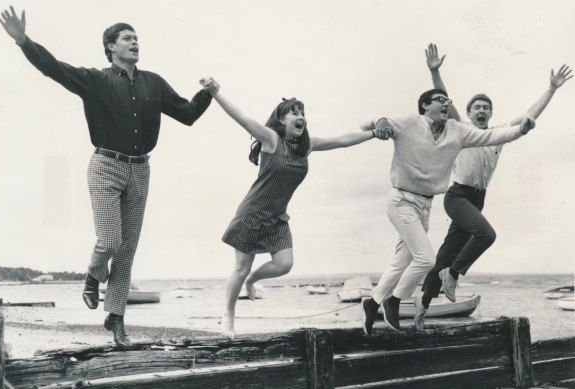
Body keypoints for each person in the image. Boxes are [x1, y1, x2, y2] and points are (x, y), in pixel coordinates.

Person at [0, 7, 213, 347]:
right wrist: (23, 41)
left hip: (141, 169)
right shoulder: (96, 80)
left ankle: (116, 319)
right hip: (105, 167)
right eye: (128, 38)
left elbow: (187, 114)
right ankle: (92, 276)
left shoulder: (153, 83)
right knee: (110, 241)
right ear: (110, 46)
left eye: (137, 39)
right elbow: (54, 69)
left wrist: (209, 93)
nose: (135, 43)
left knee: (127, 251)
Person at [199, 77, 388, 339]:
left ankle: (253, 280)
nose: (301, 117)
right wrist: (216, 92)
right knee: (240, 268)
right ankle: (228, 316)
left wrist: (373, 134)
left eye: (303, 113)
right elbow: (242, 118)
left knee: (284, 265)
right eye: (294, 112)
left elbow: (342, 140)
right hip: (252, 214)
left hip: (277, 218)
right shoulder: (271, 139)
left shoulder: (306, 147)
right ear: (282, 120)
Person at [413, 44, 572, 330]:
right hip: (457, 195)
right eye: (477, 108)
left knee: (445, 256)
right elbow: (446, 103)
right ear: (470, 114)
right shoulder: (461, 130)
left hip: (476, 200)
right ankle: (452, 276)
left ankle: (422, 309)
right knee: (486, 235)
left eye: (486, 108)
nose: (482, 111)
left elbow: (528, 116)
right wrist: (435, 71)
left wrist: (551, 89)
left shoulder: (498, 136)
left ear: (490, 114)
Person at [359, 83, 536, 333]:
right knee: (427, 259)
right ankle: (395, 299)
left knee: (404, 260)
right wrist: (380, 121)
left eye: (447, 100)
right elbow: (370, 120)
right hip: (403, 199)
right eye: (439, 99)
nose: (445, 103)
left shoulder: (455, 132)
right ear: (425, 106)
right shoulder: (412, 121)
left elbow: (495, 135)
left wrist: (521, 131)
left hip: (426, 203)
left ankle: (374, 302)